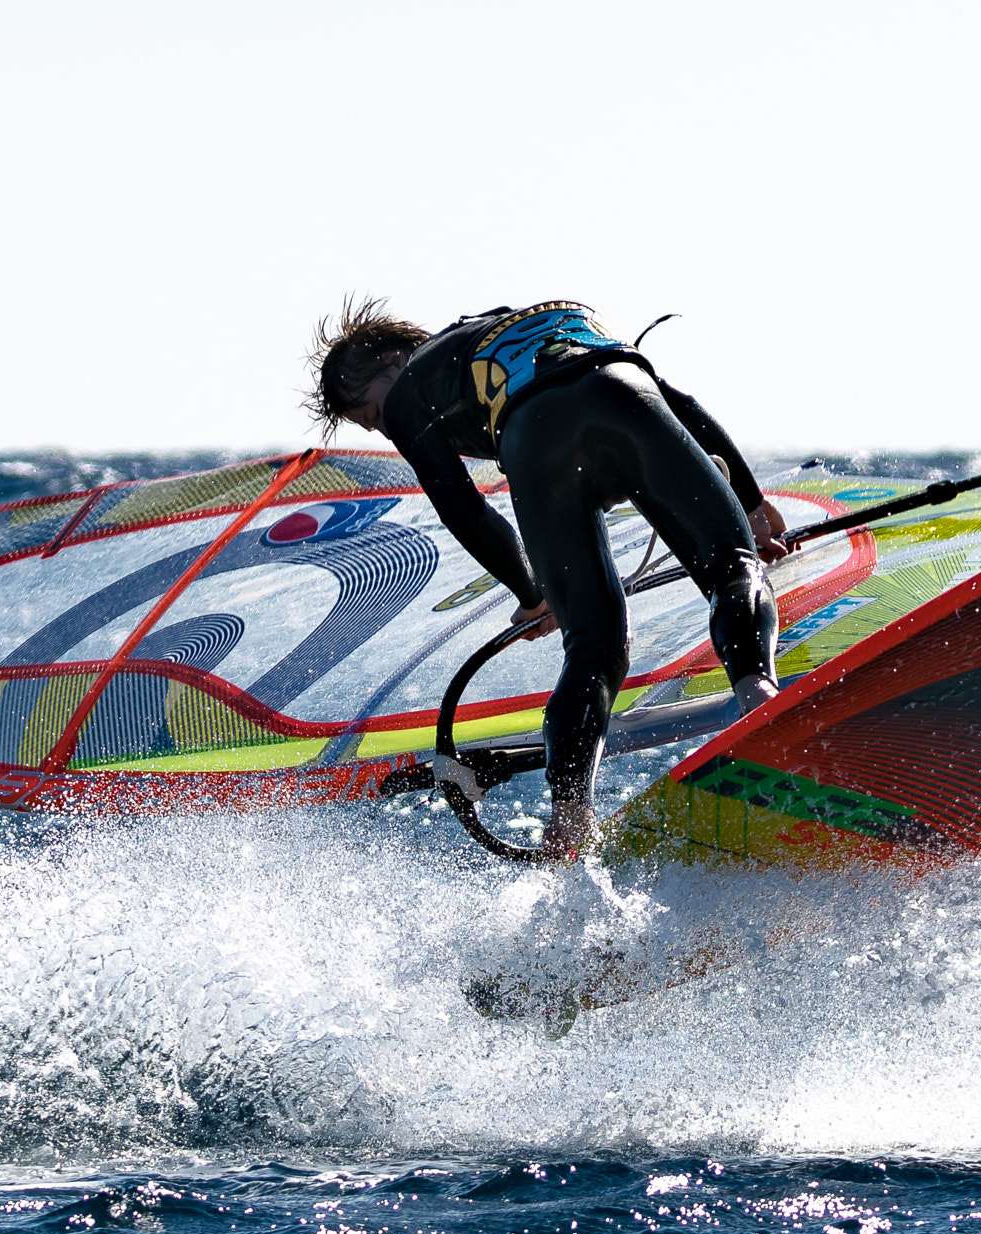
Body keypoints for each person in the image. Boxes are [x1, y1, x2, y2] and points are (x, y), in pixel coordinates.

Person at [306, 298, 787, 854]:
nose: (383, 428)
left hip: (536, 443)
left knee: (594, 646)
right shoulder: (543, 315)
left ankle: (569, 818)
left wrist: (533, 593)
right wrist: (750, 502)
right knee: (734, 568)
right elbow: (681, 405)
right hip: (625, 398)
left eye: (372, 413)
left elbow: (461, 507)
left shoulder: (414, 386)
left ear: (395, 358)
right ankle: (757, 692)